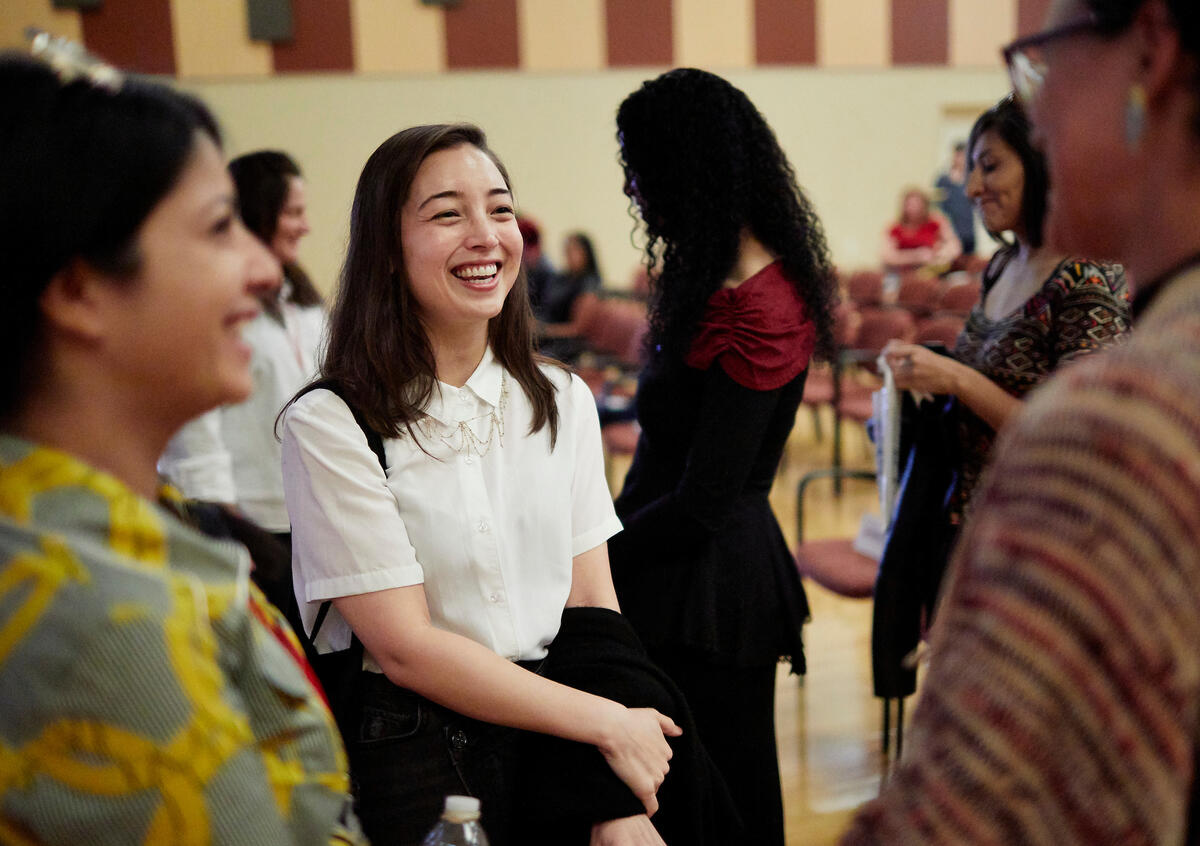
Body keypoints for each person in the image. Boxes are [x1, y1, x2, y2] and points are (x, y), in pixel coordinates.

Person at [842, 0, 1200, 842]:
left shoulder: (1121, 425)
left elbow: (964, 815)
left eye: (1042, 60)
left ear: (1151, 54)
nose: (1034, 109)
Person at [279, 123, 683, 846]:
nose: (485, 235)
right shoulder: (331, 422)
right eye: (446, 213)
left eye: (499, 209)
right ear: (387, 249)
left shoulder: (563, 399)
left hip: (560, 724)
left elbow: (592, 605)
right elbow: (405, 647)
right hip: (415, 746)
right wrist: (605, 724)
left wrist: (610, 793)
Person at [0, 44, 363, 845]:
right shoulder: (87, 619)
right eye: (218, 227)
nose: (266, 268)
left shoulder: (117, 529)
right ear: (80, 289)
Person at [607, 67, 839, 846]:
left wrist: (597, 550)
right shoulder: (708, 275)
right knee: (685, 798)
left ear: (689, 166)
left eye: (644, 169)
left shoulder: (759, 302)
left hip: (711, 582)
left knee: (726, 801)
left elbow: (706, 499)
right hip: (676, 562)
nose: (637, 189)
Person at [883, 95, 1131, 521]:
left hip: (1043, 525)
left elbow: (1076, 440)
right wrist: (924, 377)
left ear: (1041, 163)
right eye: (973, 169)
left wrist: (957, 379)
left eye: (990, 166)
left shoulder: (1088, 277)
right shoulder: (1002, 265)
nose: (973, 187)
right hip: (974, 513)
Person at [159, 150, 325, 613]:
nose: (305, 226)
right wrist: (217, 519)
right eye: (293, 212)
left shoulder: (305, 303)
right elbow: (196, 424)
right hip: (249, 516)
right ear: (258, 212)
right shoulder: (217, 305)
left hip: (313, 517)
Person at [536, 231, 605, 363]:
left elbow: (577, 330)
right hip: (548, 336)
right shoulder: (562, 278)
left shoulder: (589, 285)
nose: (569, 255)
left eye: (574, 250)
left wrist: (543, 330)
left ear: (586, 253)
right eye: (566, 250)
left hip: (567, 345)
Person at [880, 187, 963, 273]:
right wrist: (915, 256)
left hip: (933, 271)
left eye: (917, 204)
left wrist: (942, 254)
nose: (914, 208)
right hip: (903, 274)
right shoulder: (894, 228)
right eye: (910, 205)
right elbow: (887, 256)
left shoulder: (936, 222)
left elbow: (954, 246)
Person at [935, 140, 977, 256]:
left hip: (968, 232)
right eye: (959, 155)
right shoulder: (943, 180)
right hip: (950, 233)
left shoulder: (970, 179)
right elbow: (938, 207)